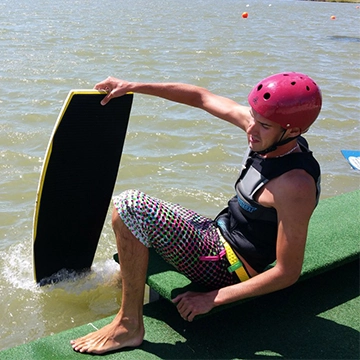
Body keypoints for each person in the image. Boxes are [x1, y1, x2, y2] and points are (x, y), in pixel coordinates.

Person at [71, 72, 322, 354]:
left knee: (131, 206)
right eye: (252, 117)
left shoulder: (295, 185)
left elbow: (287, 272)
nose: (251, 130)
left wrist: (214, 297)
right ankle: (124, 286)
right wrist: (133, 86)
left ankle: (129, 325)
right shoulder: (266, 134)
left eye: (263, 125)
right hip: (219, 232)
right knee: (140, 219)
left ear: (293, 132)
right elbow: (200, 97)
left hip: (230, 267)